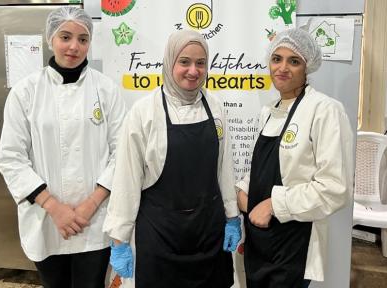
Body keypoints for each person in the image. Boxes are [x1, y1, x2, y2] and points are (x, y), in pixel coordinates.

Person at [0, 7, 126, 288]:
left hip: (94, 220)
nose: (74, 46)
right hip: (45, 220)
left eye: (83, 39)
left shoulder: (106, 90)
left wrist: (90, 204)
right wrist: (54, 207)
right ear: (50, 38)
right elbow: (11, 157)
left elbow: (122, 153)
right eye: (65, 37)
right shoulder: (26, 92)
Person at [102, 29, 241, 287]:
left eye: (201, 63)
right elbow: (126, 181)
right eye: (184, 62)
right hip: (160, 236)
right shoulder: (144, 113)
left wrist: (232, 216)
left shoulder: (215, 106)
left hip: (208, 232)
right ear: (169, 62)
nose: (193, 71)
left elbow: (224, 167)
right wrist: (119, 241)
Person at [236, 28, 354, 288]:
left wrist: (274, 205)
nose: (283, 68)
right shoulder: (268, 111)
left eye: (294, 61)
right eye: (277, 59)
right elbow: (260, 169)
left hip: (293, 241)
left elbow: (335, 189)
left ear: (307, 67)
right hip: (259, 238)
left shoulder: (325, 110)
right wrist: (241, 190)